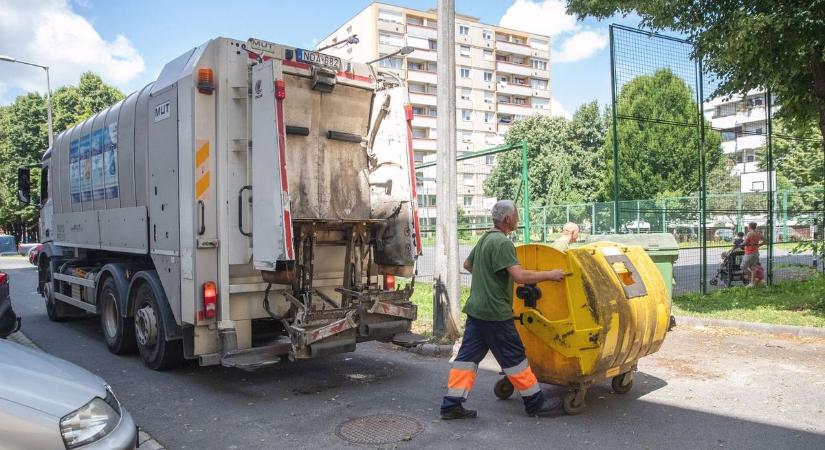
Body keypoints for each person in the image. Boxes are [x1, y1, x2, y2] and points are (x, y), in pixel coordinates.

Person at [440, 200, 566, 420]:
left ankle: (451, 404)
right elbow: (519, 277)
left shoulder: (485, 239)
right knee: (515, 357)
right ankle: (535, 403)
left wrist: (487, 277)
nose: (518, 219)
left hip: (476, 310)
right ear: (508, 219)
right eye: (517, 215)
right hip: (495, 313)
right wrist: (551, 274)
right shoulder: (503, 243)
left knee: (466, 359)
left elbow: (468, 266)